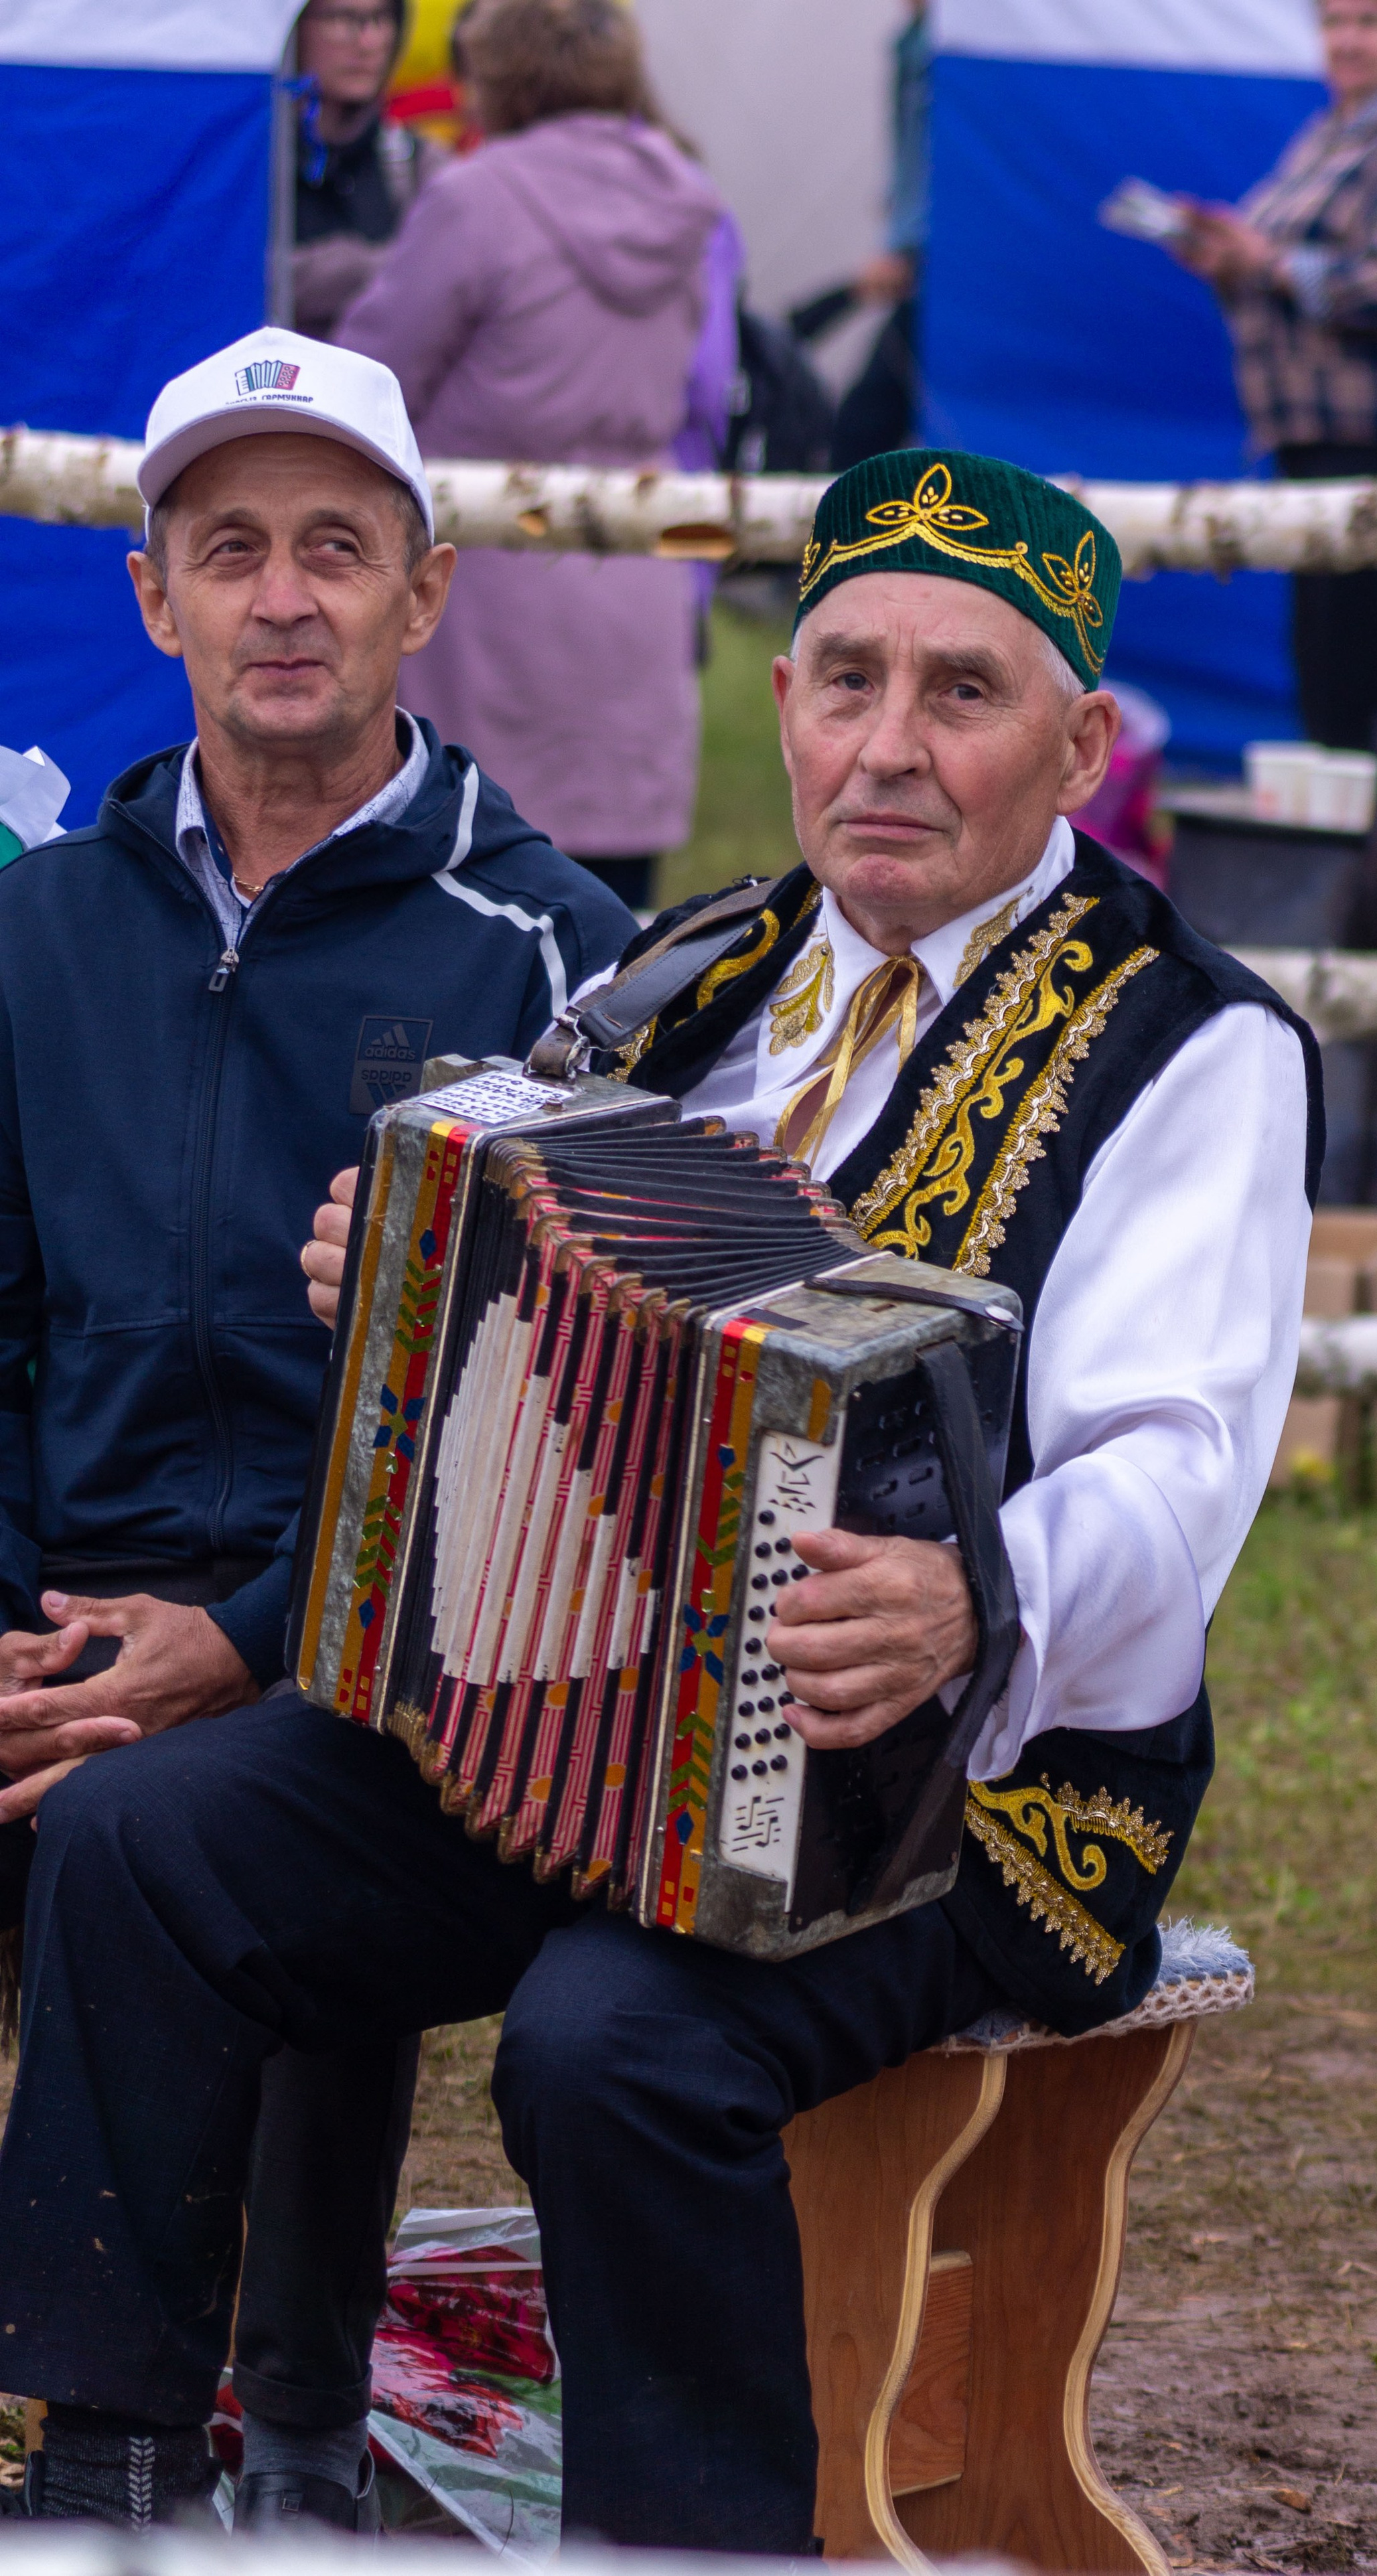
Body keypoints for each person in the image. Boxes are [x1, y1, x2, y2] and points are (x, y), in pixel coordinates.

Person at [1, 446, 1320, 2544]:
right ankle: (119, 2476)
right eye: (848, 682)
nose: (889, 747)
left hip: (969, 1798)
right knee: (150, 1839)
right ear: (778, 697)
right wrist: (398, 1275)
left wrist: (973, 1595)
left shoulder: (1187, 1046)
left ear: (1076, 742)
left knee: (611, 2039)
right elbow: (522, 1298)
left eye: (960, 696)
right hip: (591, 1725)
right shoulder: (694, 979)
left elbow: (1172, 1475)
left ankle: (688, 2543)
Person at [0, 323, 634, 2528]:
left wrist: (251, 1629)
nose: (285, 595)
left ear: (423, 594)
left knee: (208, 1804)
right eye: (233, 547)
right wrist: (25, 1624)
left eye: (336, 549)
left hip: (400, 1662)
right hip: (60, 1610)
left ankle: (201, 2446)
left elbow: (565, 1436)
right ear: (154, 594)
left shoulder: (559, 959)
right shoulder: (35, 928)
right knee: (122, 1781)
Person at [339, 0, 729, 917]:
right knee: (607, 942)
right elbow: (707, 383)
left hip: (493, 586)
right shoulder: (687, 196)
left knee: (462, 925)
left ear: (499, 76)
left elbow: (370, 378)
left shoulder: (476, 196)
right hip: (636, 572)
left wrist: (327, 280)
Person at [1170, 0, 1377, 752]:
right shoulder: (1331, 130)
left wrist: (1267, 262)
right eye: (1334, 22)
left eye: (1369, 21)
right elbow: (1286, 270)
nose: (1346, 39)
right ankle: (1350, 846)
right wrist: (1228, 259)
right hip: (1319, 434)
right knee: (1329, 663)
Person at [293, 0, 448, 341]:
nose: (367, 42)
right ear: (295, 29)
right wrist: (387, 267)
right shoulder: (256, 167)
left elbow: (452, 274)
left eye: (381, 19)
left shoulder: (417, 163)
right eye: (340, 19)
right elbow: (239, 278)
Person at [830, 0, 932, 471]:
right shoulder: (914, 42)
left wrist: (907, 243)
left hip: (931, 262)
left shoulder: (942, 51)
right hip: (918, 256)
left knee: (862, 431)